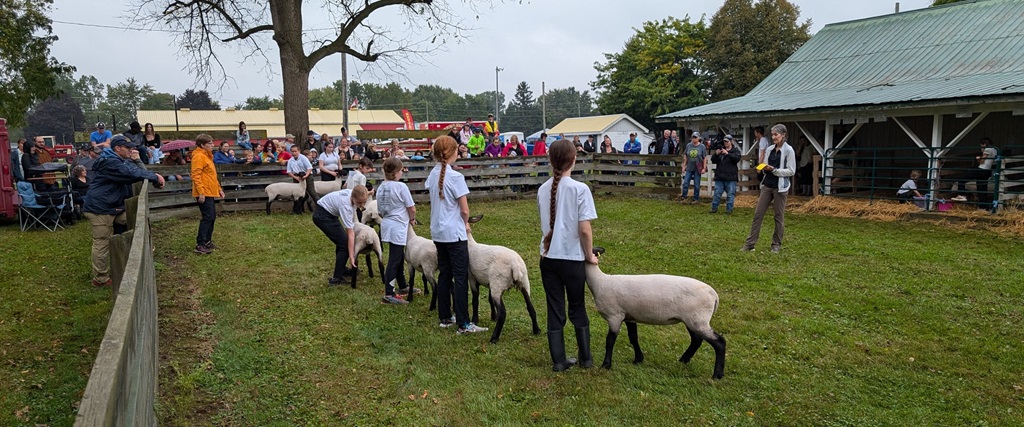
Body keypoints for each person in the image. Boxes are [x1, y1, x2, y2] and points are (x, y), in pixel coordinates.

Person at [538, 139, 598, 371]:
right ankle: (586, 358)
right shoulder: (580, 189)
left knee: (555, 308)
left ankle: (559, 360)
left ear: (551, 160)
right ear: (574, 159)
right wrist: (589, 255)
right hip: (572, 259)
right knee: (577, 307)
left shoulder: (543, 189)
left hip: (548, 259)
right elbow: (584, 229)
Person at [83, 135, 164, 287]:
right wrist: (155, 177)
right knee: (101, 242)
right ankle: (100, 278)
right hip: (100, 208)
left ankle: (140, 250)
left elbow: (135, 170)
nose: (131, 150)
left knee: (135, 219)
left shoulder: (117, 160)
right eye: (128, 148)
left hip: (111, 205)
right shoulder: (111, 162)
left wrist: (137, 161)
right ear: (117, 148)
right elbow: (131, 174)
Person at [426, 135, 487, 334]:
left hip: (438, 232)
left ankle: (445, 316)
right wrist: (466, 224)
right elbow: (465, 210)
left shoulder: (433, 174)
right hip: (454, 233)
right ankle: (463, 323)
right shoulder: (456, 177)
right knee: (460, 277)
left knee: (445, 273)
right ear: (453, 153)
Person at [743, 124, 796, 253]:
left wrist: (775, 170)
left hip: (780, 187)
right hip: (767, 185)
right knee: (758, 214)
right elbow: (766, 164)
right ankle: (750, 243)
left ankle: (776, 244)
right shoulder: (770, 149)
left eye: (776, 135)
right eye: (772, 135)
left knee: (778, 216)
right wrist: (763, 168)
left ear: (783, 135)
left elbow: (791, 171)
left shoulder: (789, 150)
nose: (773, 137)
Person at [313, 185, 370, 286]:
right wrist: (352, 257)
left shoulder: (353, 193)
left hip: (329, 213)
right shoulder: (346, 206)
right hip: (322, 216)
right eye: (359, 203)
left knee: (342, 242)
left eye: (364, 202)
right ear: (353, 197)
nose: (362, 205)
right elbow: (351, 233)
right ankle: (336, 279)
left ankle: (342, 269)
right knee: (344, 244)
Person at [377, 157, 416, 304]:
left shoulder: (382, 187)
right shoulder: (400, 187)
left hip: (387, 223)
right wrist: (412, 218)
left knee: (398, 255)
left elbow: (380, 209)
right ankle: (389, 292)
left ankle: (402, 285)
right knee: (395, 258)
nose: (402, 173)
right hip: (398, 224)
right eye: (401, 170)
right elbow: (411, 207)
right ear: (396, 172)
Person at [190, 135, 224, 254]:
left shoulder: (207, 156)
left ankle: (207, 241)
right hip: (203, 191)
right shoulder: (199, 157)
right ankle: (200, 244)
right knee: (207, 217)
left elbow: (212, 176)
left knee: (212, 216)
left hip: (210, 190)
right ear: (202, 145)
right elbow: (196, 175)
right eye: (210, 143)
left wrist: (219, 189)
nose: (212, 145)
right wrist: (201, 192)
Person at [956, 137, 998, 208]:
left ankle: (962, 194)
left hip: (981, 169)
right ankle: (983, 207)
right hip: (987, 171)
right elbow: (993, 162)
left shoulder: (987, 149)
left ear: (984, 144)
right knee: (982, 188)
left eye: (981, 145)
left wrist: (978, 159)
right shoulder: (995, 150)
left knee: (962, 179)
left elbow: (982, 161)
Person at [710, 135, 741, 214]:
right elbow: (713, 160)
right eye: (724, 141)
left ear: (731, 142)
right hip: (720, 177)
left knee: (730, 195)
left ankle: (729, 210)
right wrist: (716, 154)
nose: (725, 143)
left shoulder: (735, 151)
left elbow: (736, 159)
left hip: (731, 177)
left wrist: (727, 153)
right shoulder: (720, 151)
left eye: (727, 141)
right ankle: (714, 208)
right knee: (717, 194)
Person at [681, 132, 708, 203]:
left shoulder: (702, 146)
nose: (694, 139)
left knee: (696, 184)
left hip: (697, 167)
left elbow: (704, 157)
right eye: (693, 137)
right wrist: (684, 166)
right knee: (686, 182)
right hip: (689, 167)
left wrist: (704, 167)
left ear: (699, 138)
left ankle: (696, 198)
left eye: (695, 137)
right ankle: (684, 197)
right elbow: (686, 156)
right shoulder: (688, 145)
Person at [286, 145, 314, 214]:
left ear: (299, 151)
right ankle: (297, 209)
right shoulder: (290, 160)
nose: (294, 153)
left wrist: (306, 176)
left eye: (295, 151)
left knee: (312, 192)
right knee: (297, 195)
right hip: (297, 177)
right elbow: (289, 171)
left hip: (306, 176)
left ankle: (321, 209)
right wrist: (296, 178)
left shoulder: (303, 158)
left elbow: (309, 168)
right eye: (292, 151)